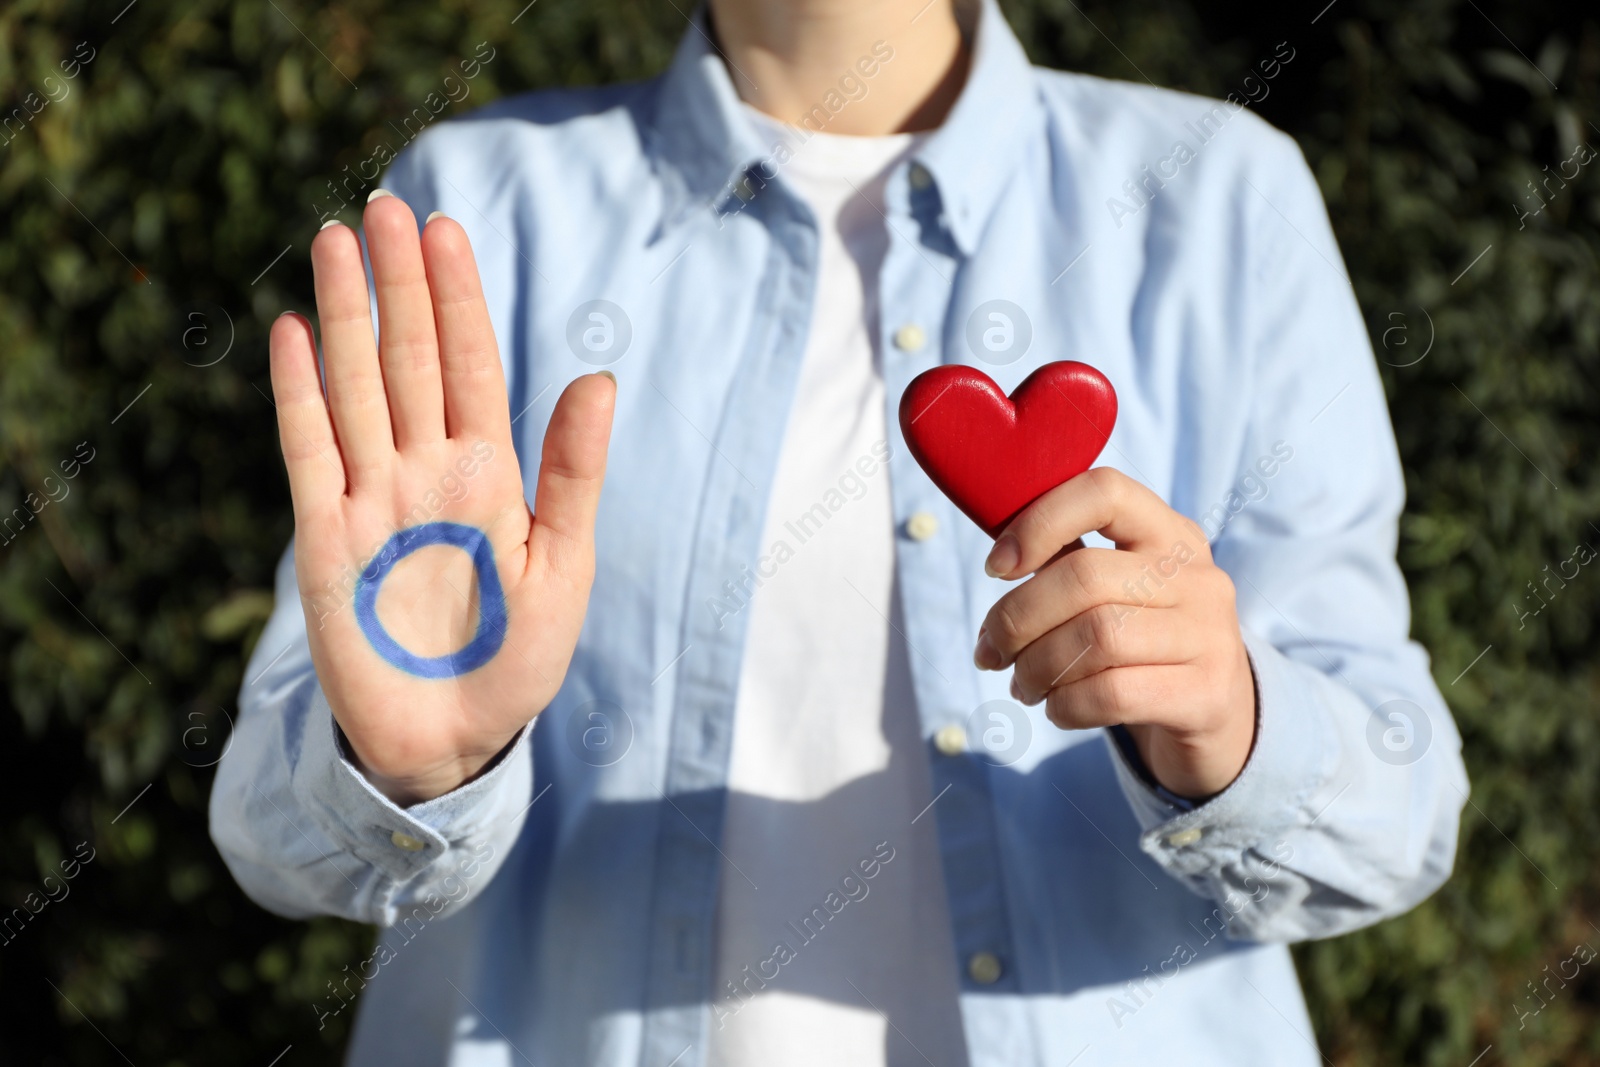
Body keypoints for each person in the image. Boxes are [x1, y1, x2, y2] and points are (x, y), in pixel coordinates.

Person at [209, 0, 1468, 1063]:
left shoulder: (1218, 200)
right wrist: (414, 768)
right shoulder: (474, 207)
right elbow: (270, 823)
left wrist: (1232, 721)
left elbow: (1399, 812)